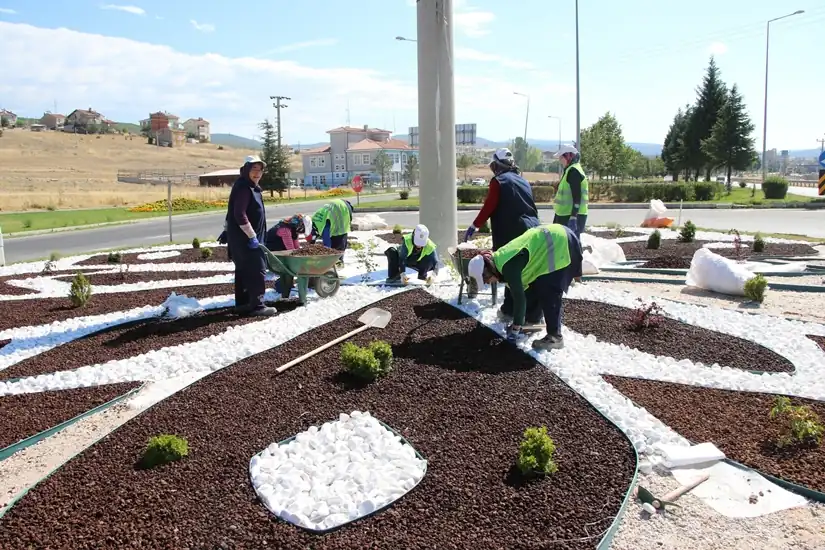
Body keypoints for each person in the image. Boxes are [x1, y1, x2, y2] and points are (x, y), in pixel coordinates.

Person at [466, 223, 583, 351]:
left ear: (488, 270)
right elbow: (525, 291)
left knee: (549, 291)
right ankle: (533, 321)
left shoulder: (508, 267)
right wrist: (520, 322)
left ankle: (555, 337)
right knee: (536, 285)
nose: (488, 283)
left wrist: (516, 329)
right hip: (555, 238)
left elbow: (519, 299)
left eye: (486, 279)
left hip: (561, 243)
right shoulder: (500, 260)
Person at [461, 148, 541, 323]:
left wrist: (474, 226)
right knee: (530, 270)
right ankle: (522, 311)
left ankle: (517, 311)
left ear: (496, 165)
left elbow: (489, 207)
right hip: (533, 229)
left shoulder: (499, 182)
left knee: (507, 267)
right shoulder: (523, 181)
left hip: (512, 232)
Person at [224, 155, 276, 317]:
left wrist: (227, 229)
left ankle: (244, 304)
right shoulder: (244, 188)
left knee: (243, 271)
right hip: (247, 240)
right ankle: (257, 306)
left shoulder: (249, 187)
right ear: (245, 169)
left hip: (241, 238)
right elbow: (239, 213)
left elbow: (232, 213)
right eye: (253, 169)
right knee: (257, 270)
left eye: (260, 170)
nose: (257, 173)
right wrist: (252, 236)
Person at [264, 214, 313, 295]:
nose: (300, 232)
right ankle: (282, 285)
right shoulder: (285, 230)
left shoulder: (293, 230)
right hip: (271, 257)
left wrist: (303, 254)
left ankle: (287, 284)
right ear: (299, 225)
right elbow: (290, 250)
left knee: (294, 263)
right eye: (302, 230)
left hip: (278, 253)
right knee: (290, 267)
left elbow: (296, 248)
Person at [552, 144, 589, 238]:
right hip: (564, 214)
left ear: (569, 156)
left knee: (571, 246)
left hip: (570, 217)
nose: (560, 160)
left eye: (561, 157)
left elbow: (577, 196)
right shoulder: (570, 170)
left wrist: (573, 217)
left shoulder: (574, 171)